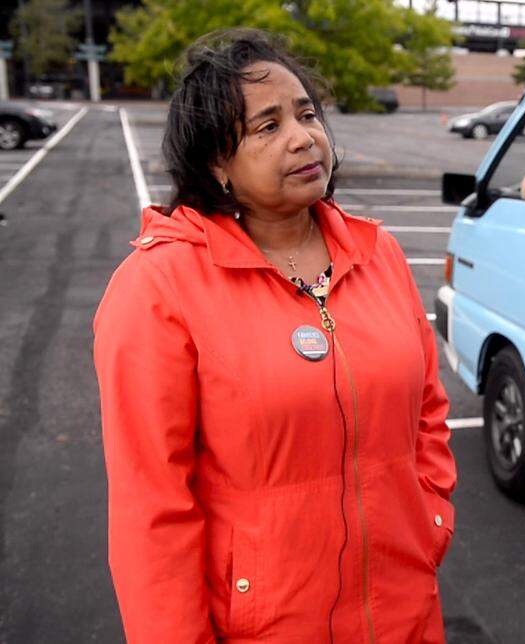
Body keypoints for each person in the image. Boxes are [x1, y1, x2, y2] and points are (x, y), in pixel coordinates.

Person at [92, 29, 456, 642]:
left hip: (404, 611)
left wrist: (432, 518)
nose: (303, 137)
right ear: (216, 162)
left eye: (306, 113)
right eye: (267, 127)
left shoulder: (378, 252)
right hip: (264, 626)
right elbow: (150, 510)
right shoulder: (158, 287)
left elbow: (428, 410)